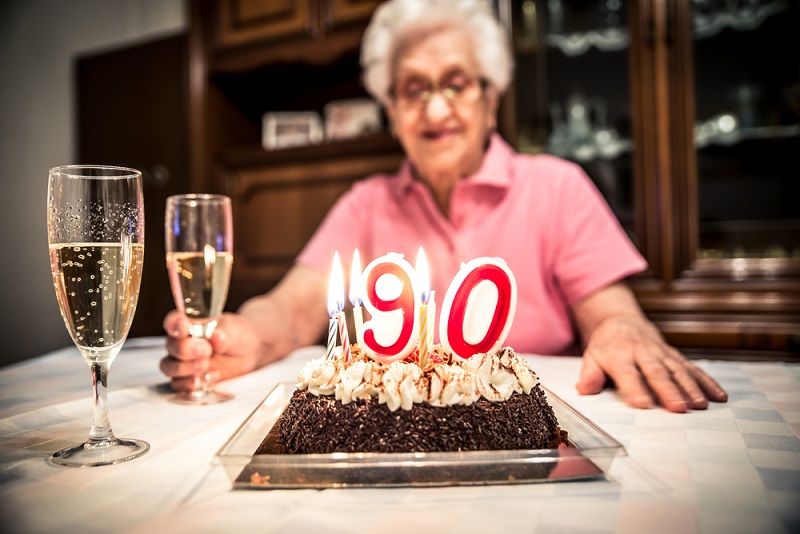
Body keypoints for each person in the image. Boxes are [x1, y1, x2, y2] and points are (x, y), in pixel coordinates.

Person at [161, 0, 727, 413]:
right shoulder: (366, 203)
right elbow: (292, 308)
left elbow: (613, 312)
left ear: (492, 95)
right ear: (390, 106)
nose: (436, 110)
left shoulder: (558, 186)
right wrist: (246, 335)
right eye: (413, 89)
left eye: (456, 83)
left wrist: (624, 330)